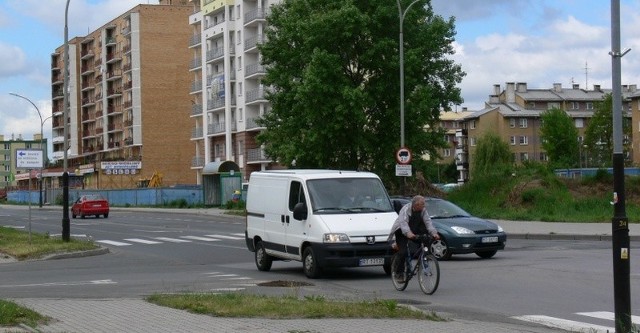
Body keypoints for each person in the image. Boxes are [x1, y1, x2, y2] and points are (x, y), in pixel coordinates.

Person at [388, 195, 440, 281]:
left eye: (424, 204)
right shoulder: (405, 209)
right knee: (403, 252)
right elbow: (403, 223)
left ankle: (425, 258)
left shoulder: (423, 210)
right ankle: (399, 273)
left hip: (414, 230)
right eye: (422, 204)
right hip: (401, 231)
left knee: (426, 238)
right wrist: (408, 233)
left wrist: (434, 233)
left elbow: (428, 222)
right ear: (415, 205)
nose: (424, 206)